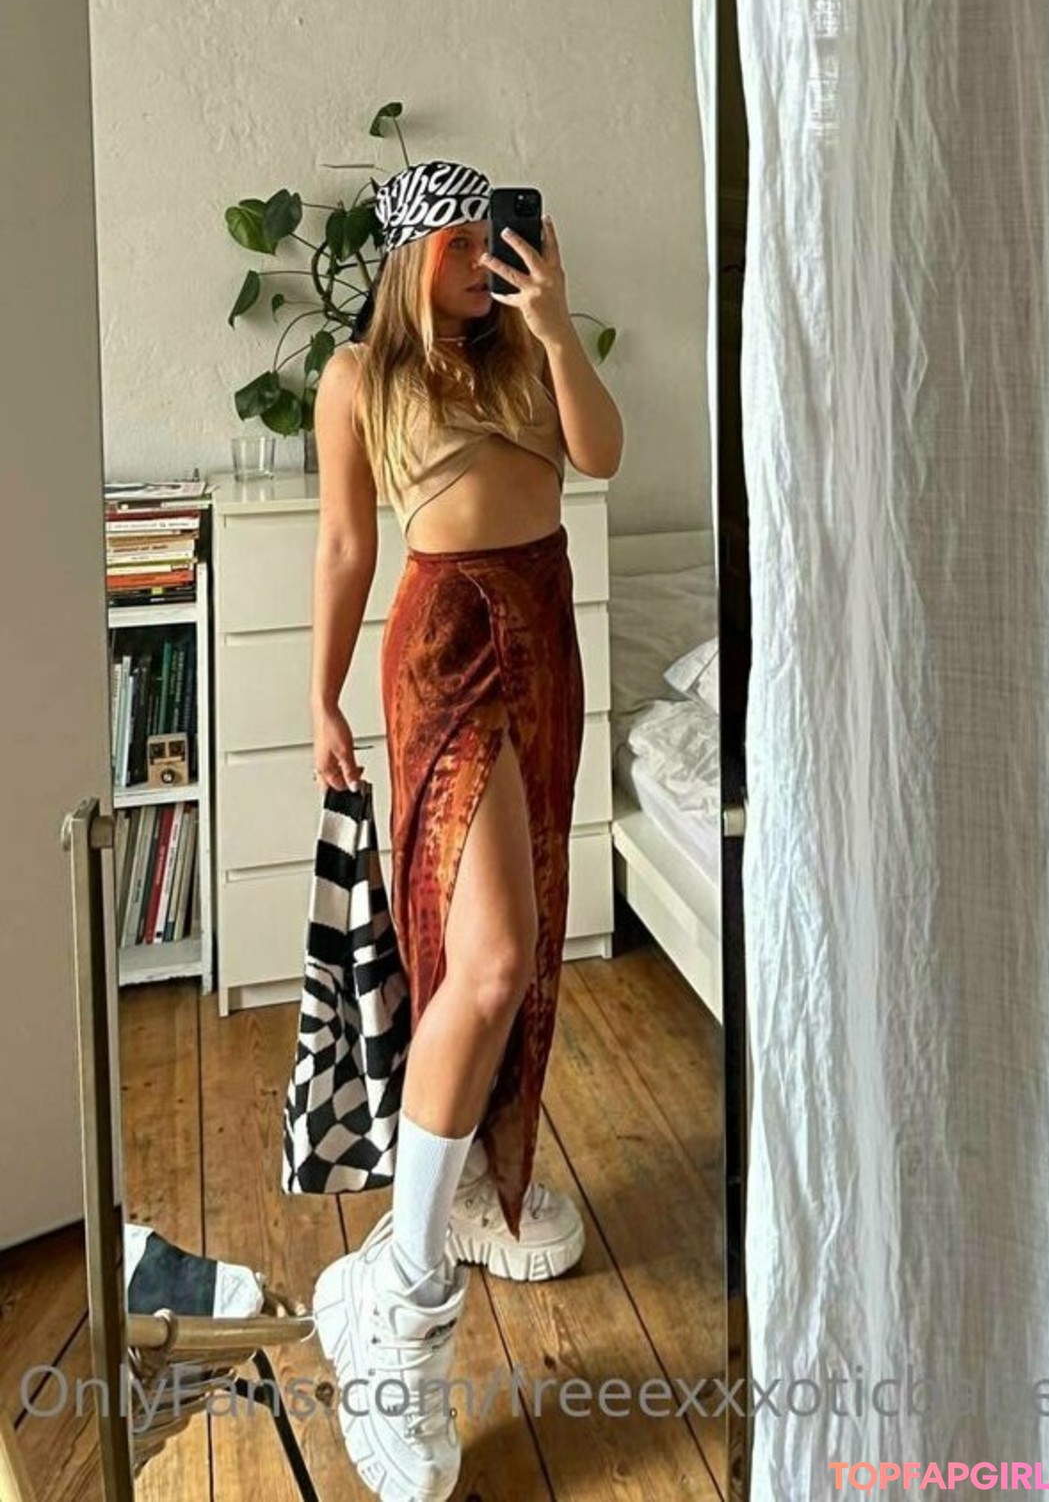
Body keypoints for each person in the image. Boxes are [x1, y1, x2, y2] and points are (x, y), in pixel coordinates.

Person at [309, 159, 623, 1501]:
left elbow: (600, 454)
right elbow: (345, 545)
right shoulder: (357, 378)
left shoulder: (524, 348)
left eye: (491, 231)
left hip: (543, 626)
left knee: (524, 944)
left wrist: (555, 325)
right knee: (485, 958)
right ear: (410, 253)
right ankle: (401, 1286)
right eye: (458, 238)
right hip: (444, 643)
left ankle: (472, 1194)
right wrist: (319, 694)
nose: (484, 252)